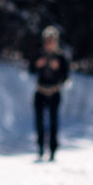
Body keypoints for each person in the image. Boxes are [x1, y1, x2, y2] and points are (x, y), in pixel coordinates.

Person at [32, 25, 71, 160]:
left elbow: (66, 76)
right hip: (40, 91)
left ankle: (53, 150)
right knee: (39, 122)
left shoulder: (60, 57)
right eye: (47, 41)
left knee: (54, 122)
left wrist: (58, 70)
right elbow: (30, 69)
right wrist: (37, 65)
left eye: (52, 41)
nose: (49, 43)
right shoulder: (39, 54)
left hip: (54, 92)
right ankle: (41, 148)